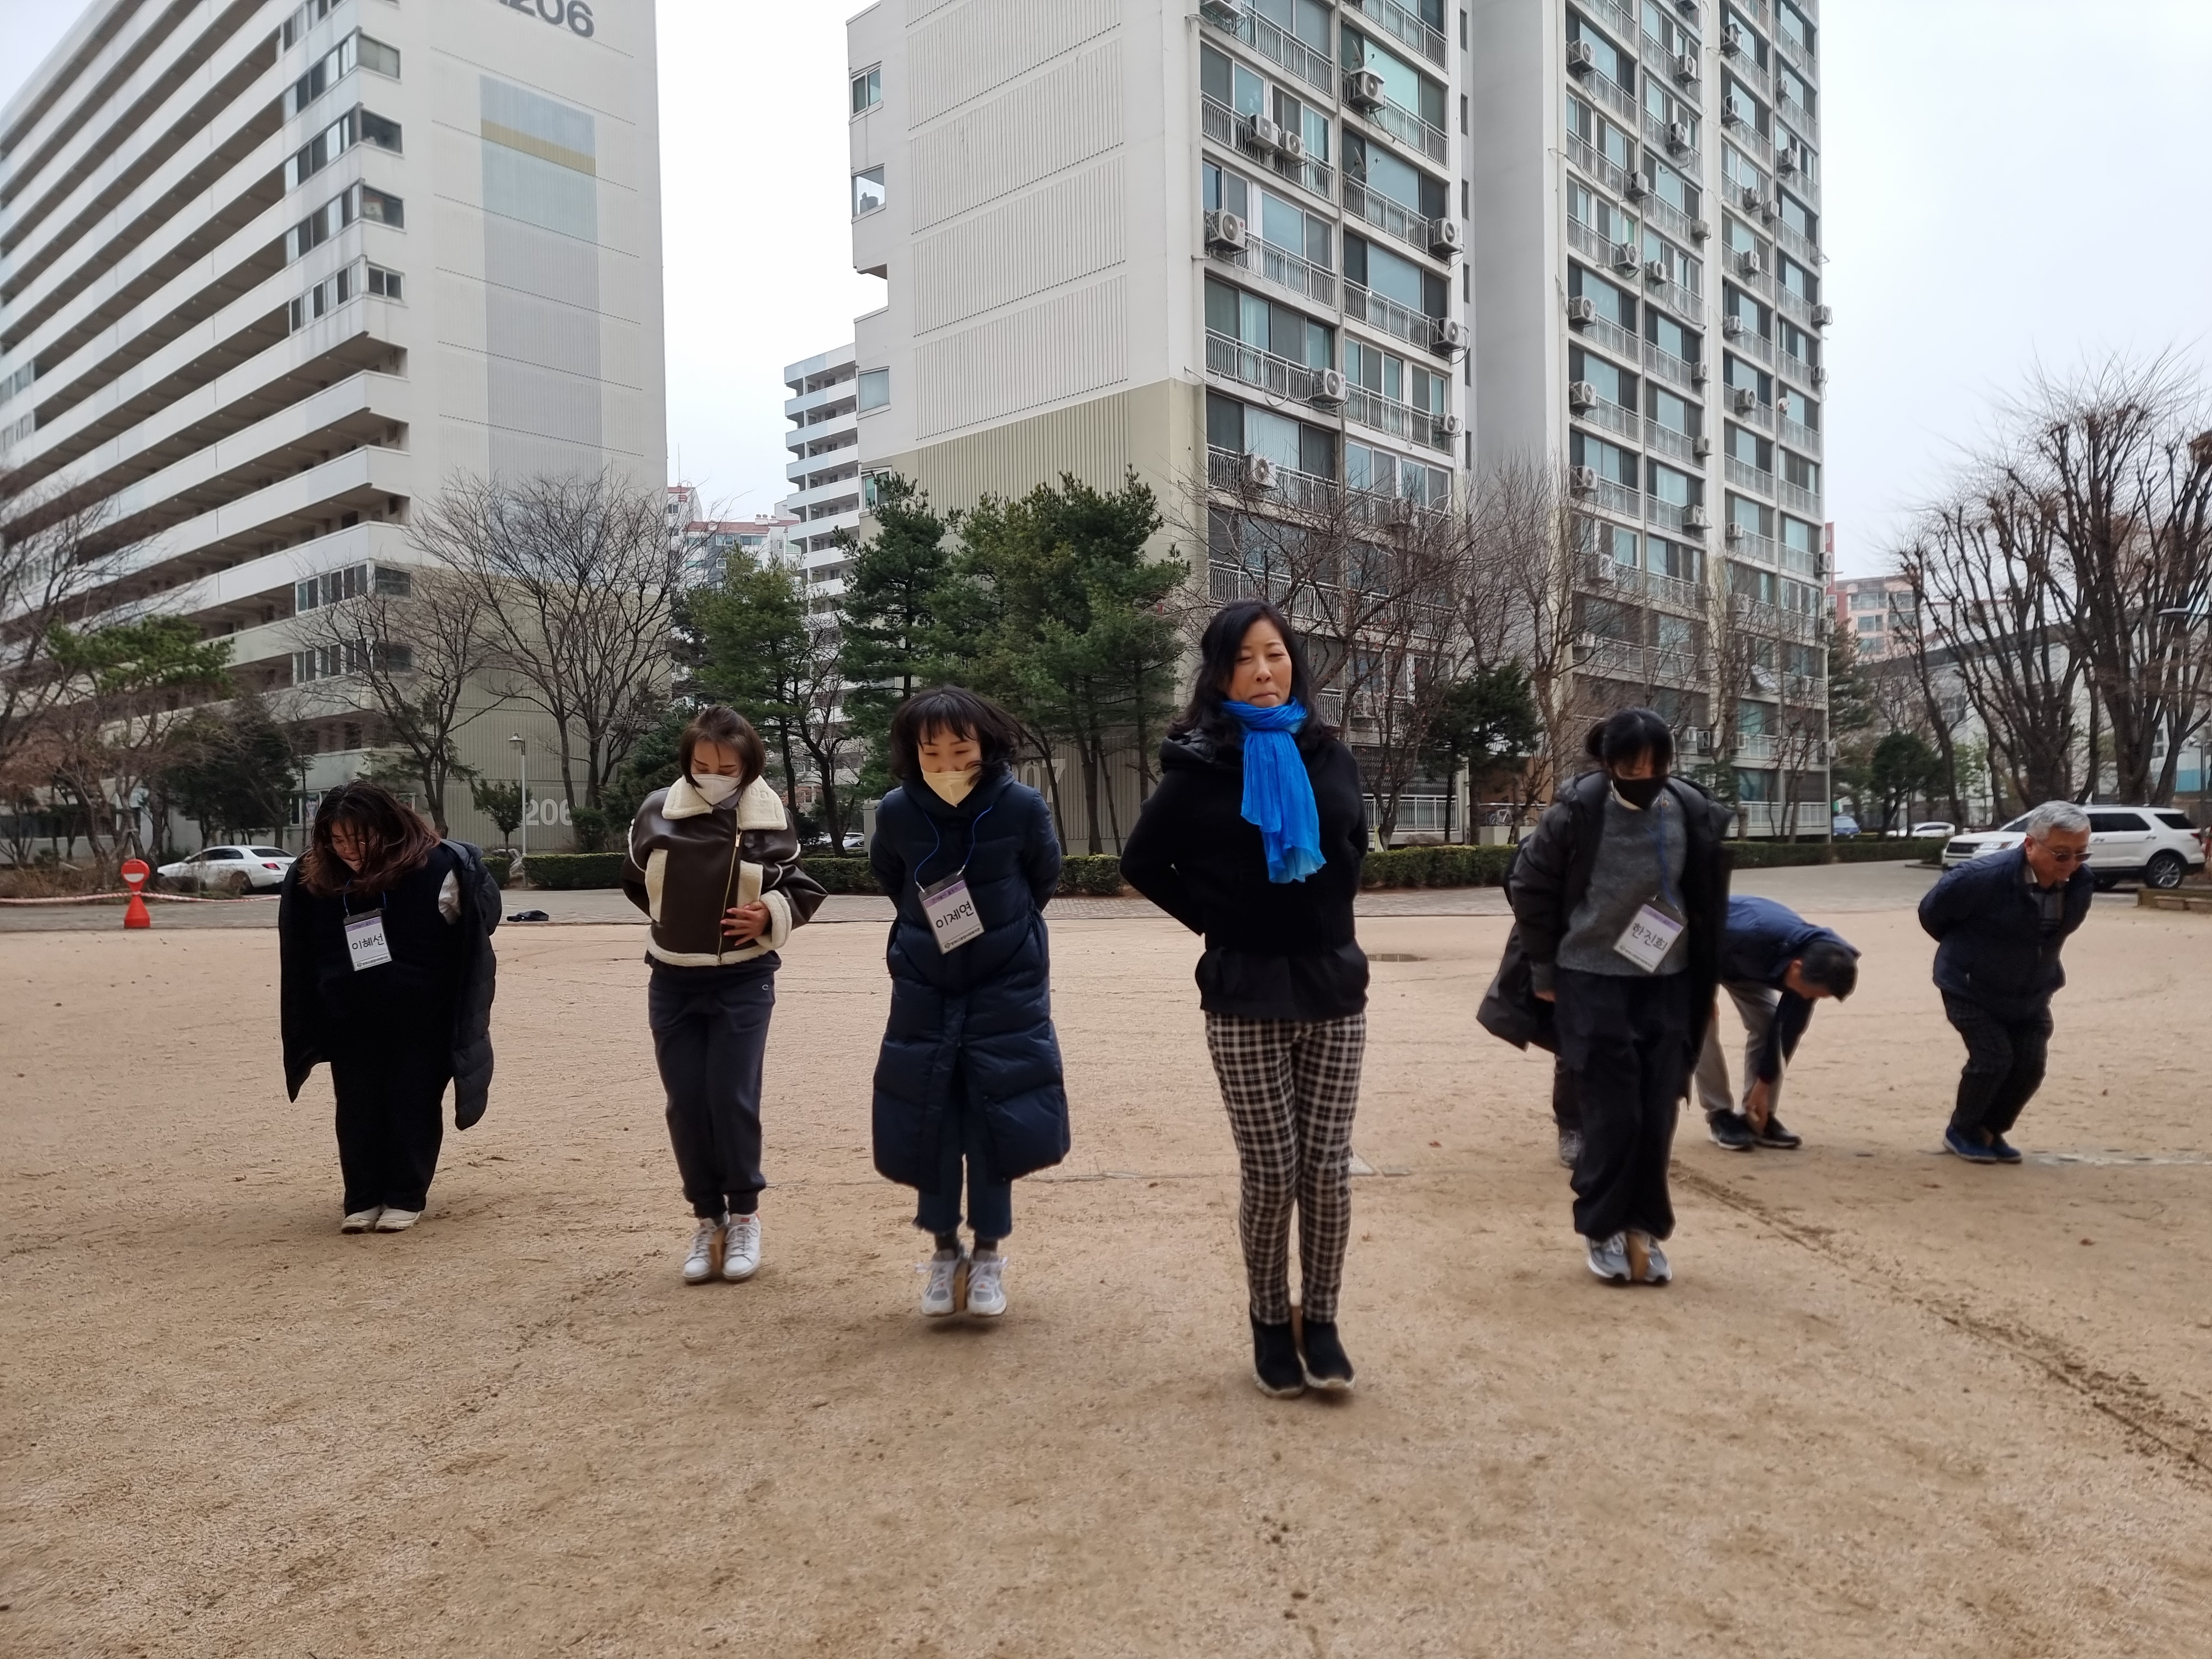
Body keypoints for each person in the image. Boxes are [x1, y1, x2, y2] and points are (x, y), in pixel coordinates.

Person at [1121, 602, 1370, 1398]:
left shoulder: (1330, 755)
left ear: (1294, 661)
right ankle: (1269, 1322)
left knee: (1327, 1172)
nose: (1264, 672)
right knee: (1272, 1173)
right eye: (1244, 660)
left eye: (1276, 654)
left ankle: (1321, 1320)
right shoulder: (1196, 769)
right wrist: (1217, 919)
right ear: (1219, 674)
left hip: (1333, 989)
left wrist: (1323, 920)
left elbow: (1353, 849)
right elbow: (1140, 862)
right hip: (1242, 995)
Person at [1506, 708, 1731, 1286]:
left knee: (1657, 1111)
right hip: (1592, 978)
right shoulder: (1577, 813)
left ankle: (1645, 1228)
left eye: (1658, 767)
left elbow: (1708, 901)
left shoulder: (1690, 811)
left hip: (1668, 979)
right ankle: (1602, 1226)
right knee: (1613, 1113)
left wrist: (1705, 982)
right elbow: (1528, 885)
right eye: (1633, 769)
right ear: (1608, 764)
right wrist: (1544, 969)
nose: (1647, 778)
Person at [869, 687, 1068, 1320]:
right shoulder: (897, 811)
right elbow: (890, 878)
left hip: (1005, 983)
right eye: (932, 754)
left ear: (986, 745)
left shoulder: (1021, 805)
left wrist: (1005, 938)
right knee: (930, 1117)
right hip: (924, 983)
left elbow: (1043, 876)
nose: (948, 765)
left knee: (993, 1121)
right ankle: (942, 1252)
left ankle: (986, 1256)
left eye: (961, 751)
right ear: (913, 753)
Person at [623, 707, 827, 1284]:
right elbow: (636, 881)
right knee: (686, 1103)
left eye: (727, 768)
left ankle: (744, 1218)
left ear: (749, 766)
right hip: (671, 979)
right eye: (702, 765)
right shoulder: (656, 810)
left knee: (731, 1096)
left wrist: (768, 914)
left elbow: (802, 886)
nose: (712, 776)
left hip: (743, 978)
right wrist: (677, 924)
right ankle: (707, 1219)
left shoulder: (770, 816)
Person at [279, 782, 503, 1234]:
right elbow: (302, 946)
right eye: (337, 840)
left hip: (423, 1014)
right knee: (356, 1105)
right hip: (348, 1014)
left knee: (412, 1100)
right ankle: (362, 1198)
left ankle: (405, 1195)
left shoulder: (437, 866)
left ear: (388, 827)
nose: (348, 850)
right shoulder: (313, 875)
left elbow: (477, 927)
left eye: (359, 839)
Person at [1917, 799, 2094, 1164]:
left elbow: (2053, 935)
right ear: (2030, 845)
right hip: (1970, 986)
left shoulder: (2081, 883)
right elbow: (1933, 915)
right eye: (2061, 854)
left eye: (2081, 854)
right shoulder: (1980, 878)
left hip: (2032, 989)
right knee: (1993, 1059)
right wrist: (1974, 954)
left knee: (2030, 1066)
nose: (2072, 864)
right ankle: (1962, 1131)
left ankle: (1990, 1130)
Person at [1692, 896, 1860, 1151]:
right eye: (1810, 993)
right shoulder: (1747, 932)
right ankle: (1719, 1115)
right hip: (1704, 950)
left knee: (1768, 1023)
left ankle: (1757, 1114)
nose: (1808, 999)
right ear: (1796, 967)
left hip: (1750, 965)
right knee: (1700, 1024)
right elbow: (1692, 939)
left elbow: (1787, 1031)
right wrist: (1702, 990)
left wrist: (1763, 1085)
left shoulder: (1825, 961)